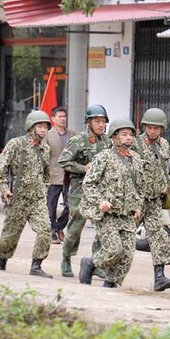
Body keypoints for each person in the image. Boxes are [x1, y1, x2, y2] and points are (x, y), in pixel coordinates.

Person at [78, 119, 144, 288]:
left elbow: (140, 186)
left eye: (130, 135)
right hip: (107, 214)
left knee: (127, 255)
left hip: (127, 214)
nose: (129, 138)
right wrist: (99, 202)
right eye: (124, 135)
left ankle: (110, 285)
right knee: (114, 250)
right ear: (114, 138)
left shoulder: (136, 159)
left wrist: (138, 205)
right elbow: (89, 183)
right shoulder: (104, 157)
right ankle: (90, 263)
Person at [0, 110, 53, 278]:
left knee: (45, 229)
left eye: (45, 127)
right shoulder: (16, 144)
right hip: (17, 198)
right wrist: (4, 188)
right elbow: (2, 168)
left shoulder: (44, 149)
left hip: (37, 200)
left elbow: (47, 173)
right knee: (10, 235)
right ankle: (2, 258)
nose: (43, 130)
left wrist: (43, 189)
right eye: (39, 126)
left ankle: (36, 265)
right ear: (31, 127)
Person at [57, 105, 111, 278]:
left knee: (101, 226)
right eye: (97, 121)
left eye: (103, 121)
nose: (101, 125)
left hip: (99, 190)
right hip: (79, 189)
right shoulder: (78, 140)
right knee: (75, 227)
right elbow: (63, 161)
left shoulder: (108, 142)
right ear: (89, 122)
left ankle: (96, 263)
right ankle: (66, 257)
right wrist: (83, 168)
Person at [131, 108, 170, 292]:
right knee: (123, 238)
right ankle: (95, 264)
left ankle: (160, 276)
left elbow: (164, 169)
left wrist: (168, 188)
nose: (152, 131)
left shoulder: (165, 144)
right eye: (149, 127)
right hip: (137, 200)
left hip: (155, 200)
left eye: (156, 128)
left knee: (159, 237)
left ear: (162, 128)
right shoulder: (135, 144)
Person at [46, 106, 76, 244]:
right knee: (50, 207)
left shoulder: (72, 134)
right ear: (53, 119)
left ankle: (58, 227)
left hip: (69, 176)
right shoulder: (47, 135)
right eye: (60, 116)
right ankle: (52, 231)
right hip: (53, 175)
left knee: (71, 206)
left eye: (64, 116)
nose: (63, 119)